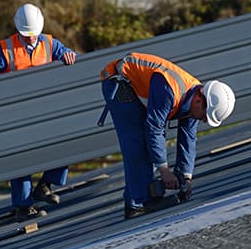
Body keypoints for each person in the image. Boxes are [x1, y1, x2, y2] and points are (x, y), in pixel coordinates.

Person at [98, 52, 235, 219]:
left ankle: (143, 195)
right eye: (205, 116)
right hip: (118, 82)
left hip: (135, 86)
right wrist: (164, 171)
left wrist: (186, 176)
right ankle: (137, 203)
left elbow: (188, 138)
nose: (204, 121)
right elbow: (154, 128)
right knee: (137, 141)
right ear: (200, 101)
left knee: (152, 142)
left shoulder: (196, 97)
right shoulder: (170, 89)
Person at [0, 3, 77, 221]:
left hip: (47, 110)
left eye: (34, 35)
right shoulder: (5, 48)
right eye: (26, 35)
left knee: (65, 144)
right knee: (22, 159)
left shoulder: (50, 43)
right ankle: (23, 206)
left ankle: (45, 186)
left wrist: (69, 55)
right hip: (18, 114)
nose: (31, 39)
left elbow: (68, 54)